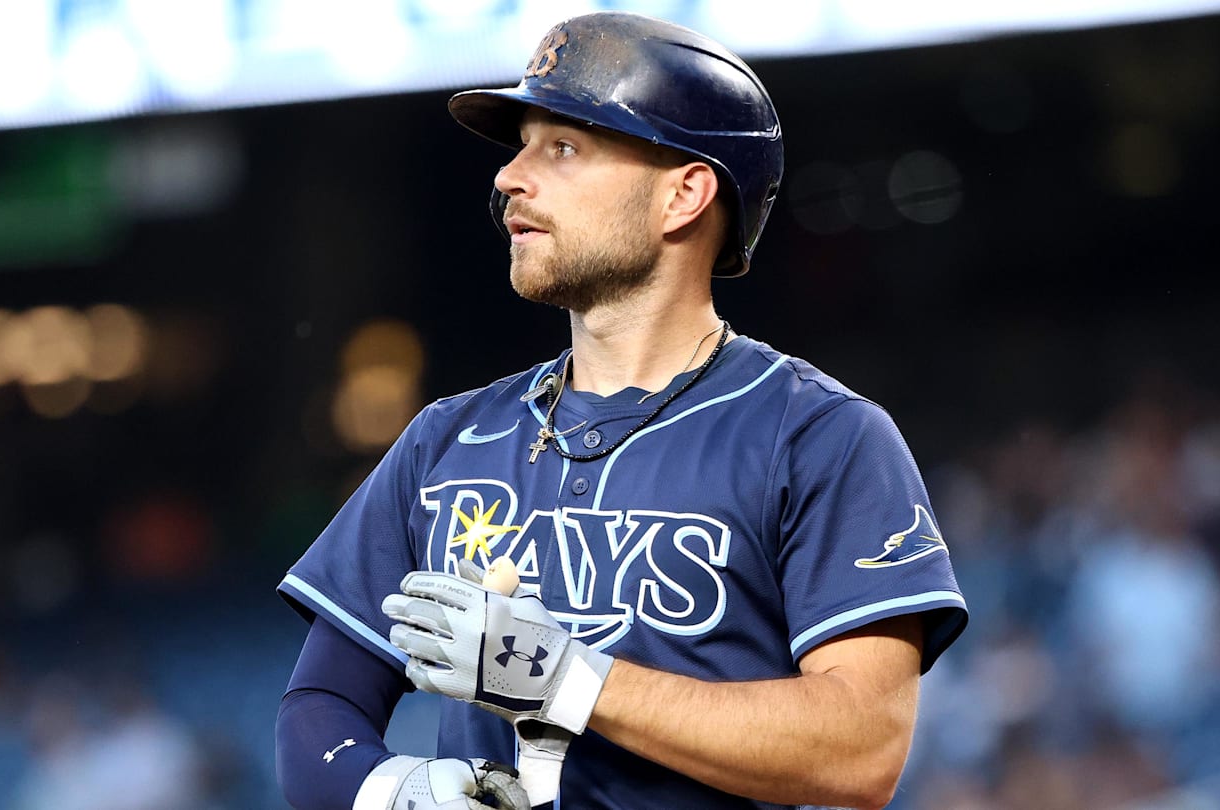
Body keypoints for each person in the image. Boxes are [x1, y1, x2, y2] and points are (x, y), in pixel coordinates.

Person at [275, 11, 967, 810]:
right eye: (521, 145)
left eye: (564, 148)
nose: (509, 177)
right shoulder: (447, 441)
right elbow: (319, 707)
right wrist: (391, 790)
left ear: (684, 194)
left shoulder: (818, 436)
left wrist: (566, 679)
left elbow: (861, 748)